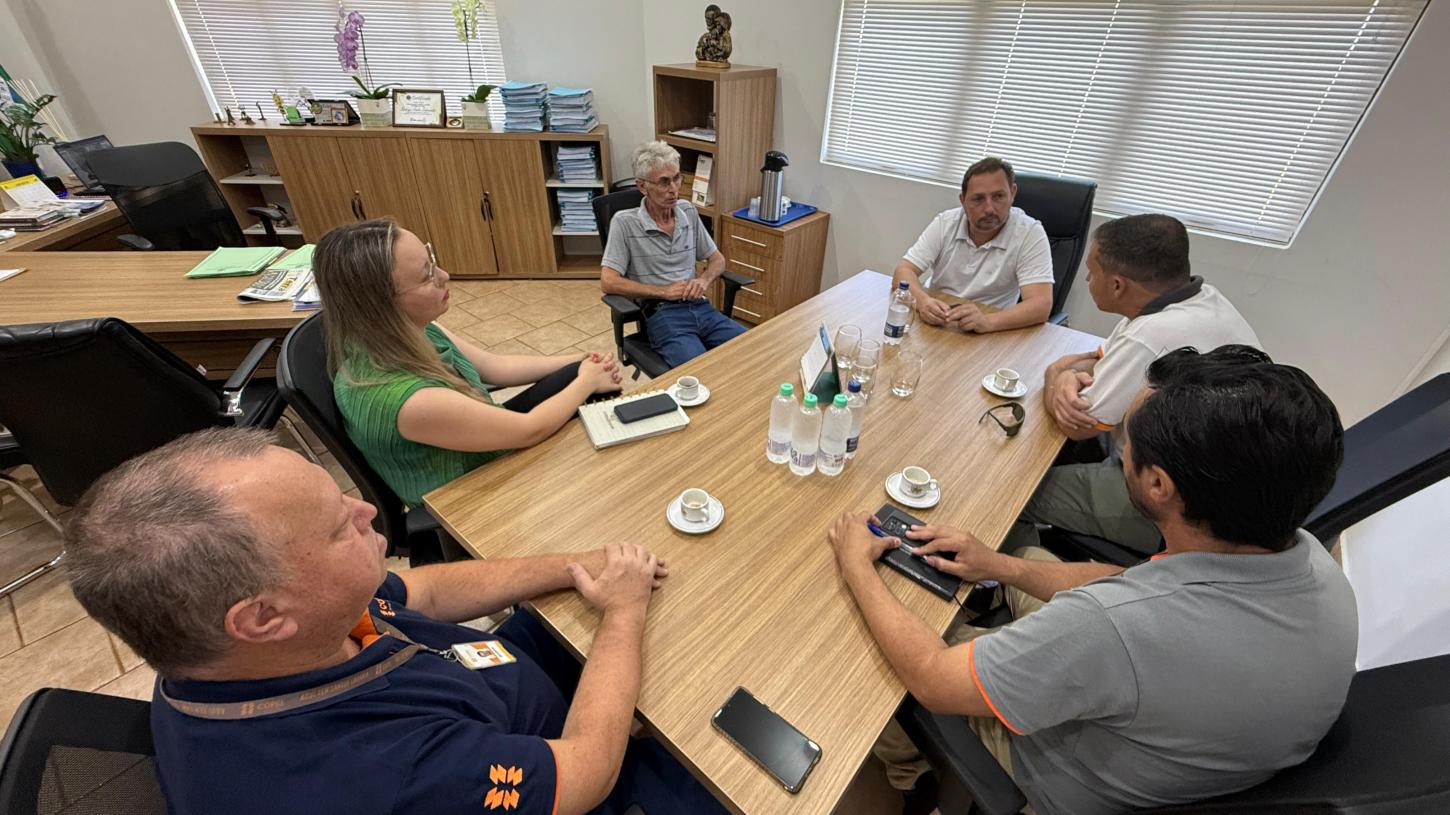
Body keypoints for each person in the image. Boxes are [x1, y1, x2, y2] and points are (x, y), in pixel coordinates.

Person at [63, 428, 728, 815]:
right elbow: (585, 772)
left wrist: (574, 565)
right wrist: (620, 610)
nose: (366, 510)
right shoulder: (380, 773)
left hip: (485, 692)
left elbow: (423, 592)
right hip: (570, 770)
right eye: (335, 526)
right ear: (264, 617)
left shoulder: (238, 640)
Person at [833, 346, 1357, 815]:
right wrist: (999, 565)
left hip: (1055, 774)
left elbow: (932, 676)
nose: (1119, 450)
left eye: (1126, 443)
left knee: (868, 631)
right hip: (1164, 731)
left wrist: (857, 563)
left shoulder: (1114, 627)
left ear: (1158, 484)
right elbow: (1131, 583)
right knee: (1024, 552)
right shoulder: (1308, 555)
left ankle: (910, 773)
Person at [314, 218, 623, 510]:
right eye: (426, 276)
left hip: (477, 446)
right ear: (383, 306)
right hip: (471, 495)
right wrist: (586, 381)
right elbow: (528, 430)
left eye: (431, 261)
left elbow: (497, 366)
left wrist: (578, 361)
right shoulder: (406, 399)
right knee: (583, 402)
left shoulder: (414, 330)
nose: (444, 276)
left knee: (577, 381)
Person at [1026, 213, 1261, 555]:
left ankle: (1014, 586)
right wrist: (1064, 372)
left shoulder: (1152, 335)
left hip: (1176, 509)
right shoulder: (1195, 299)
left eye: (1092, 273)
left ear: (1118, 285)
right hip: (1216, 483)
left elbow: (1077, 424)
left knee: (1015, 496)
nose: (1088, 279)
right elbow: (1099, 358)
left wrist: (1055, 379)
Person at [600, 141, 746, 368]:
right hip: (663, 315)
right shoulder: (624, 223)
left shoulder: (687, 211)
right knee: (700, 371)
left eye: (677, 178)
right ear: (642, 186)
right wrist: (663, 292)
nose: (674, 189)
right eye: (663, 182)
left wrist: (703, 280)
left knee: (752, 348)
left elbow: (717, 259)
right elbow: (608, 282)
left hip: (701, 307)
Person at [892, 157, 1055, 333]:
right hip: (939, 321)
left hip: (992, 330)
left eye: (998, 196)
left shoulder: (1029, 233)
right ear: (963, 200)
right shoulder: (946, 222)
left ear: (1013, 193)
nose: (989, 209)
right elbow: (904, 271)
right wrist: (923, 302)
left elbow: (1041, 305)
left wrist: (987, 321)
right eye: (978, 199)